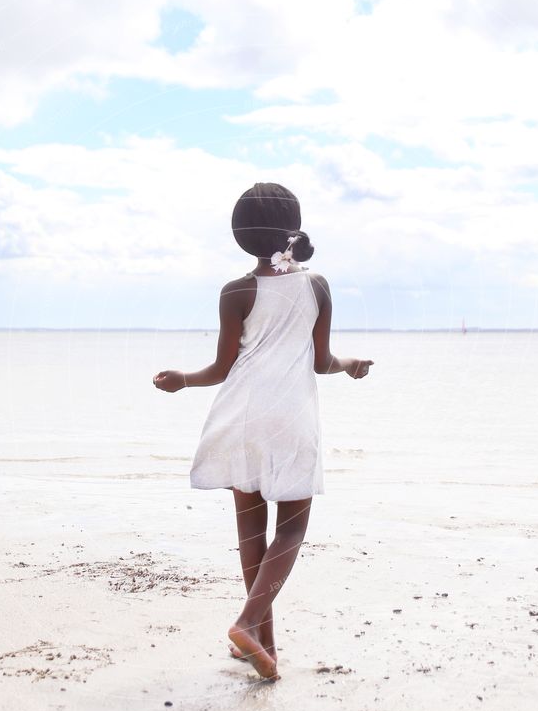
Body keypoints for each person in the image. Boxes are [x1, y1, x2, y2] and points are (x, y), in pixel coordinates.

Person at [153, 182, 373, 680]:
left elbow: (220, 368)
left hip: (241, 416)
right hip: (291, 416)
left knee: (250, 532)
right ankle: (250, 625)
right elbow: (320, 362)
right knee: (291, 528)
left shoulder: (235, 292)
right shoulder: (317, 286)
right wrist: (353, 364)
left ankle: (263, 643)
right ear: (292, 229)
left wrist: (182, 380)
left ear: (240, 237)